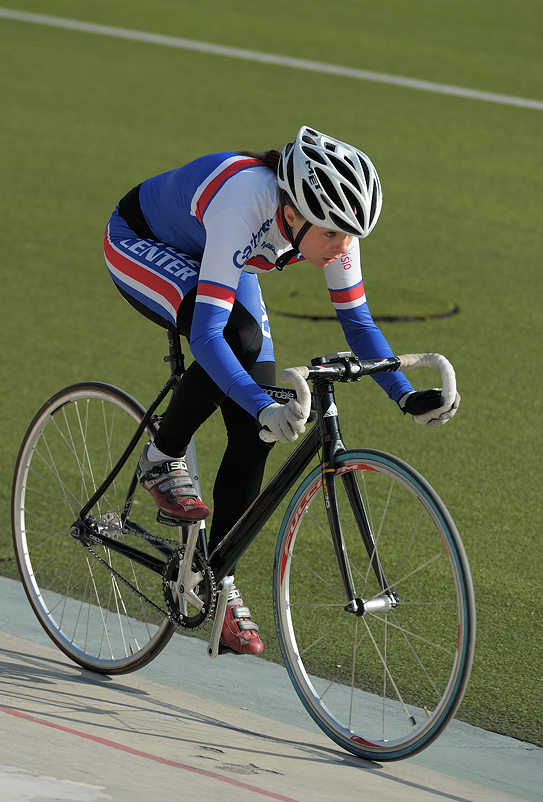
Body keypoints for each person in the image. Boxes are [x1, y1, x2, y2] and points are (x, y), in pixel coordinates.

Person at [104, 126, 457, 655]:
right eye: (333, 234)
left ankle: (211, 578)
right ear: (292, 213)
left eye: (351, 235)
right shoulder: (243, 202)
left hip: (225, 255)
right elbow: (207, 336)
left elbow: (358, 323)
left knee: (257, 434)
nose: (343, 246)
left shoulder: (329, 225)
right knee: (239, 342)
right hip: (143, 243)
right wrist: (260, 403)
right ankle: (161, 457)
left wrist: (405, 395)